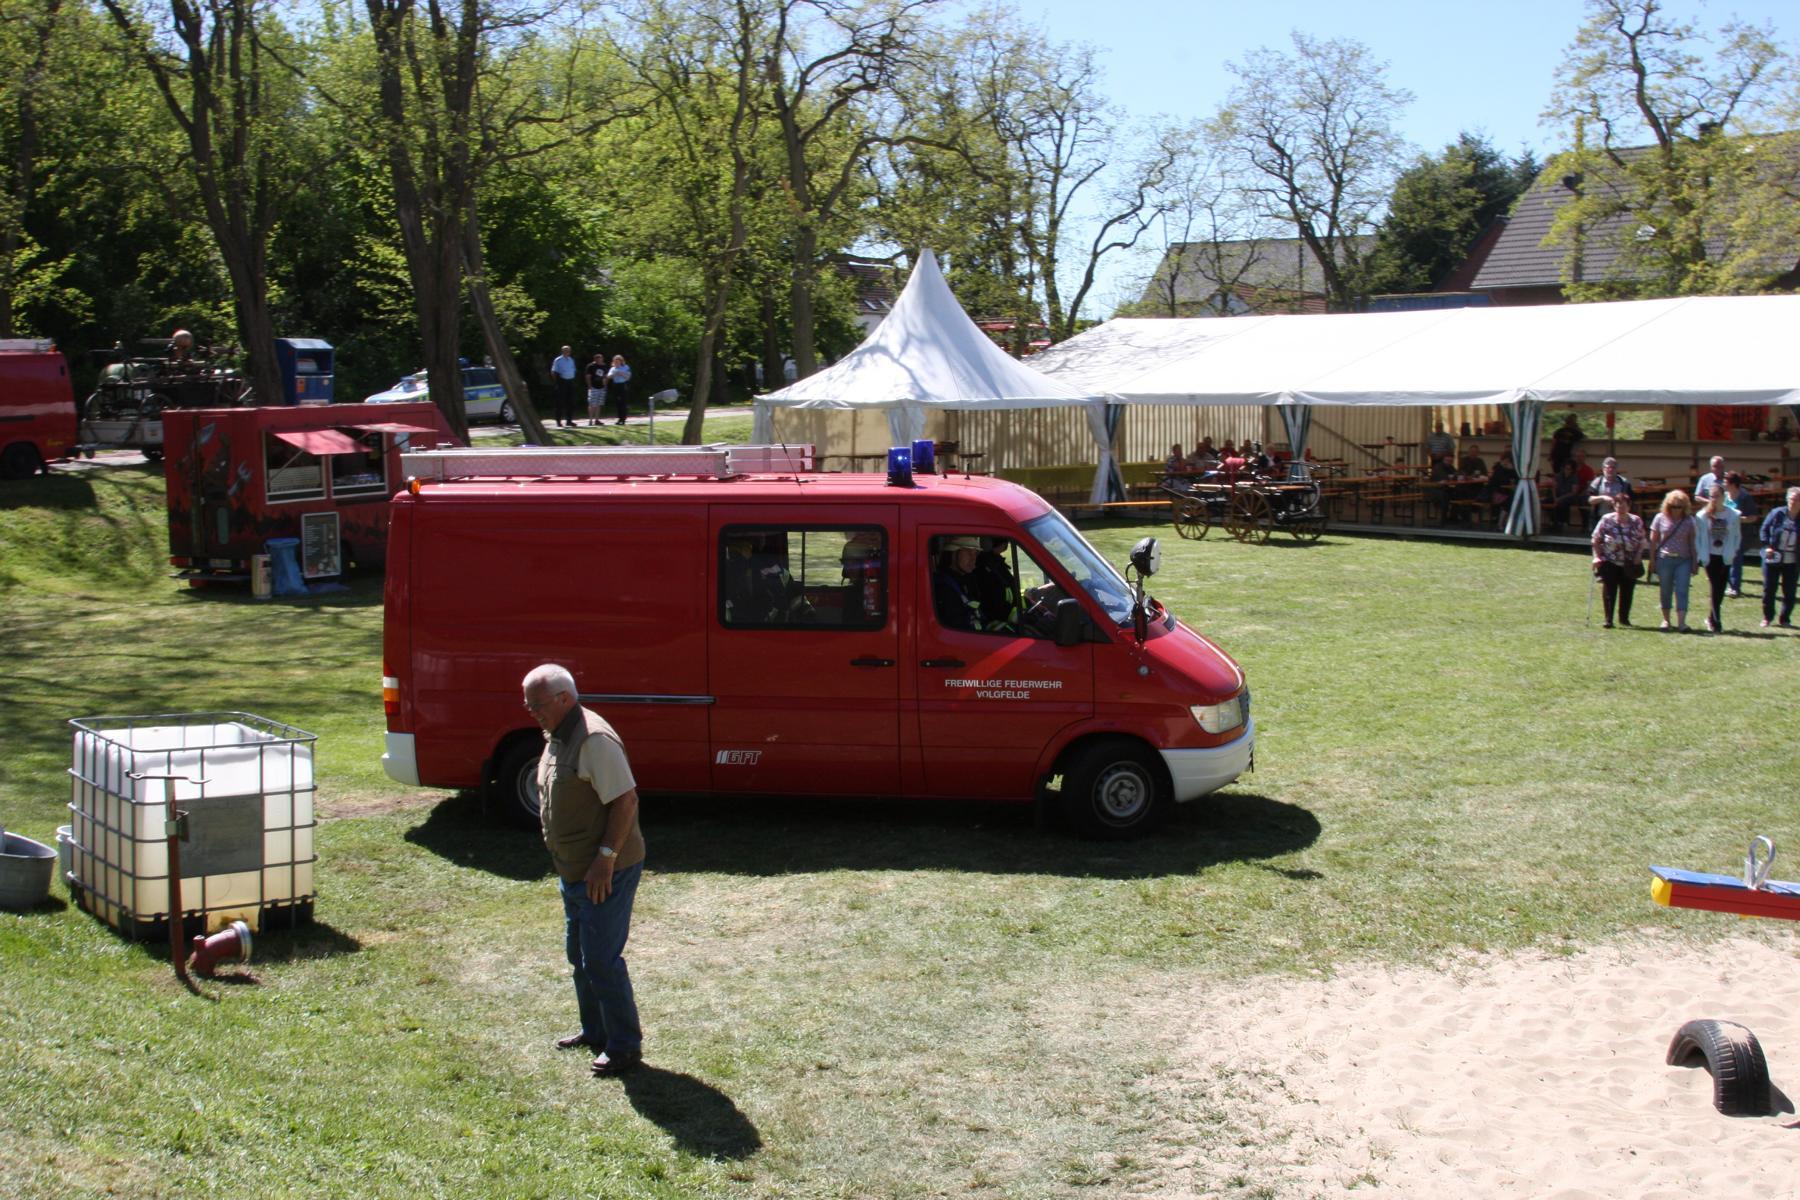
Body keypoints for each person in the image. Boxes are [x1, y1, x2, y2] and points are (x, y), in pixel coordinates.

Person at [522, 663, 645, 1077]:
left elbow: (626, 800)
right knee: (579, 954)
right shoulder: (558, 734)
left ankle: (624, 1046)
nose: (532, 712)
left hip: (605, 870)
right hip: (575, 869)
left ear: (564, 698)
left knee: (601, 959)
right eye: (528, 705)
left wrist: (605, 859)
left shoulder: (593, 739)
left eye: (538, 704)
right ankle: (596, 1031)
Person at [1591, 492, 1648, 628]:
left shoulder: (1636, 521)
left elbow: (1642, 540)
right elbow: (1596, 539)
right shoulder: (1607, 519)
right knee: (1609, 590)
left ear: (1629, 506)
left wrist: (1638, 556)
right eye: (1618, 506)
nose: (1621, 509)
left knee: (1627, 590)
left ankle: (1624, 618)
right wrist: (1597, 556)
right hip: (1610, 561)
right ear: (1614, 506)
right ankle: (1608, 619)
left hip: (1630, 562)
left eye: (1624, 506)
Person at [1648, 490, 1701, 632]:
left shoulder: (1689, 521)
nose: (1676, 510)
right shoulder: (1660, 518)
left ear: (1685, 507)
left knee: (1682, 590)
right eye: (1673, 506)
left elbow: (1692, 543)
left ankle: (1682, 623)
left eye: (1679, 507)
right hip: (1664, 559)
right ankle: (1666, 620)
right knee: (1665, 590)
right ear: (1667, 505)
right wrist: (1652, 560)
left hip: (1684, 560)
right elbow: (1653, 541)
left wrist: (1695, 562)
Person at [1693, 486, 1741, 633]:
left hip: (1725, 556)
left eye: (1717, 496)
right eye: (1711, 496)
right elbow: (1698, 537)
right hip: (1710, 555)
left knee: (1720, 588)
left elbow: (1737, 535)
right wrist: (1701, 554)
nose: (1714, 499)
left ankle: (1711, 618)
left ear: (1723, 496)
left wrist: (1733, 551)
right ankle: (1717, 621)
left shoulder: (1733, 515)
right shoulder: (1703, 516)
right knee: (1715, 586)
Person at [1758, 487, 1800, 628]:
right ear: (1787, 499)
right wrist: (1767, 546)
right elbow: (1764, 529)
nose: (1793, 502)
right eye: (1791, 499)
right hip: (1773, 556)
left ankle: (1785, 619)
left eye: (1797, 500)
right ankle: (1767, 617)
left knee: (1790, 591)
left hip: (1792, 560)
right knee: (1769, 589)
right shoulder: (1777, 513)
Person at [933, 536, 991, 632]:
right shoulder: (944, 587)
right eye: (968, 552)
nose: (973, 558)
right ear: (953, 554)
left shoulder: (967, 580)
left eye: (975, 554)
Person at [1719, 472, 1757, 597]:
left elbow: (1753, 517)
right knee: (1724, 559)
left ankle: (1735, 587)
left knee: (1735, 560)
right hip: (1724, 533)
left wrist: (1738, 519)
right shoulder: (1724, 496)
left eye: (1725, 482)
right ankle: (1725, 585)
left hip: (1740, 534)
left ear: (1733, 484)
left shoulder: (1745, 497)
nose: (1723, 484)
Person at [1586, 457, 1632, 524]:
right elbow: (1589, 500)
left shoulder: (1624, 483)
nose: (1610, 470)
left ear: (1616, 469)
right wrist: (1602, 498)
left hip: (1619, 519)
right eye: (1608, 467)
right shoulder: (1597, 482)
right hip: (1600, 519)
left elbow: (1629, 501)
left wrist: (1616, 502)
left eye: (1613, 467)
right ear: (1603, 469)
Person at [1548, 459, 1584, 531]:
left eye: (1569, 469)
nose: (1567, 470)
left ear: (1572, 470)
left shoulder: (1574, 478)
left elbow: (1573, 492)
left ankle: (1562, 522)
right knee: (1547, 501)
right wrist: (1555, 497)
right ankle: (1553, 521)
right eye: (1565, 468)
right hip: (1558, 496)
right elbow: (1554, 488)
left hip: (1569, 497)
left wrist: (1560, 498)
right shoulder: (1558, 476)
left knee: (1562, 503)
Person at [550, 345, 579, 427]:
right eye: (565, 350)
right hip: (561, 382)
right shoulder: (558, 360)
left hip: (570, 381)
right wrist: (557, 382)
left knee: (571, 402)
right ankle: (558, 421)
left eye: (569, 350)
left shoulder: (571, 360)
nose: (567, 352)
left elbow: (573, 370)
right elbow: (553, 372)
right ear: (562, 351)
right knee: (559, 402)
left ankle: (569, 421)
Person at [605, 354, 632, 425]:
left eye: (618, 361)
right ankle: (620, 418)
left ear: (621, 361)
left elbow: (628, 377)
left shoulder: (625, 367)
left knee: (623, 402)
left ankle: (623, 419)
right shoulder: (613, 368)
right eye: (615, 361)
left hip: (623, 385)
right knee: (617, 402)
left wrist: (621, 373)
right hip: (616, 385)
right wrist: (613, 374)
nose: (616, 363)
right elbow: (608, 376)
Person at [584, 354, 609, 426]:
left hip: (601, 387)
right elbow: (588, 377)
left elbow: (605, 377)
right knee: (592, 404)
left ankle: (597, 420)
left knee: (599, 404)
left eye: (601, 359)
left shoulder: (604, 366)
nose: (600, 360)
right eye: (598, 359)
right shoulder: (591, 366)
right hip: (593, 387)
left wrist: (605, 386)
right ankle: (590, 420)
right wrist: (590, 386)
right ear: (595, 359)